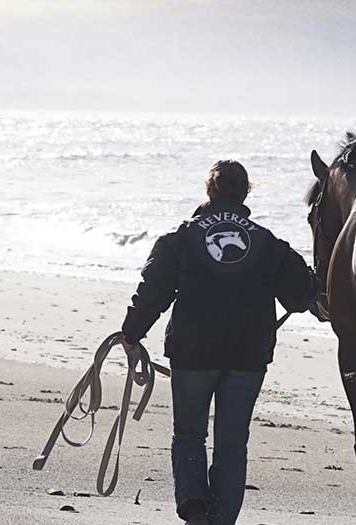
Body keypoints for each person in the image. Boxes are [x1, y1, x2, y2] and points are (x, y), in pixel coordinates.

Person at [120, 160, 316, 525]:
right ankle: (222, 519)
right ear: (245, 193)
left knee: (190, 433)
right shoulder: (267, 241)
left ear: (209, 191)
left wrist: (131, 334)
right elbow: (302, 295)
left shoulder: (181, 237)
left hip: (193, 353)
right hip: (247, 356)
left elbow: (152, 291)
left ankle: (195, 512)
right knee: (231, 444)